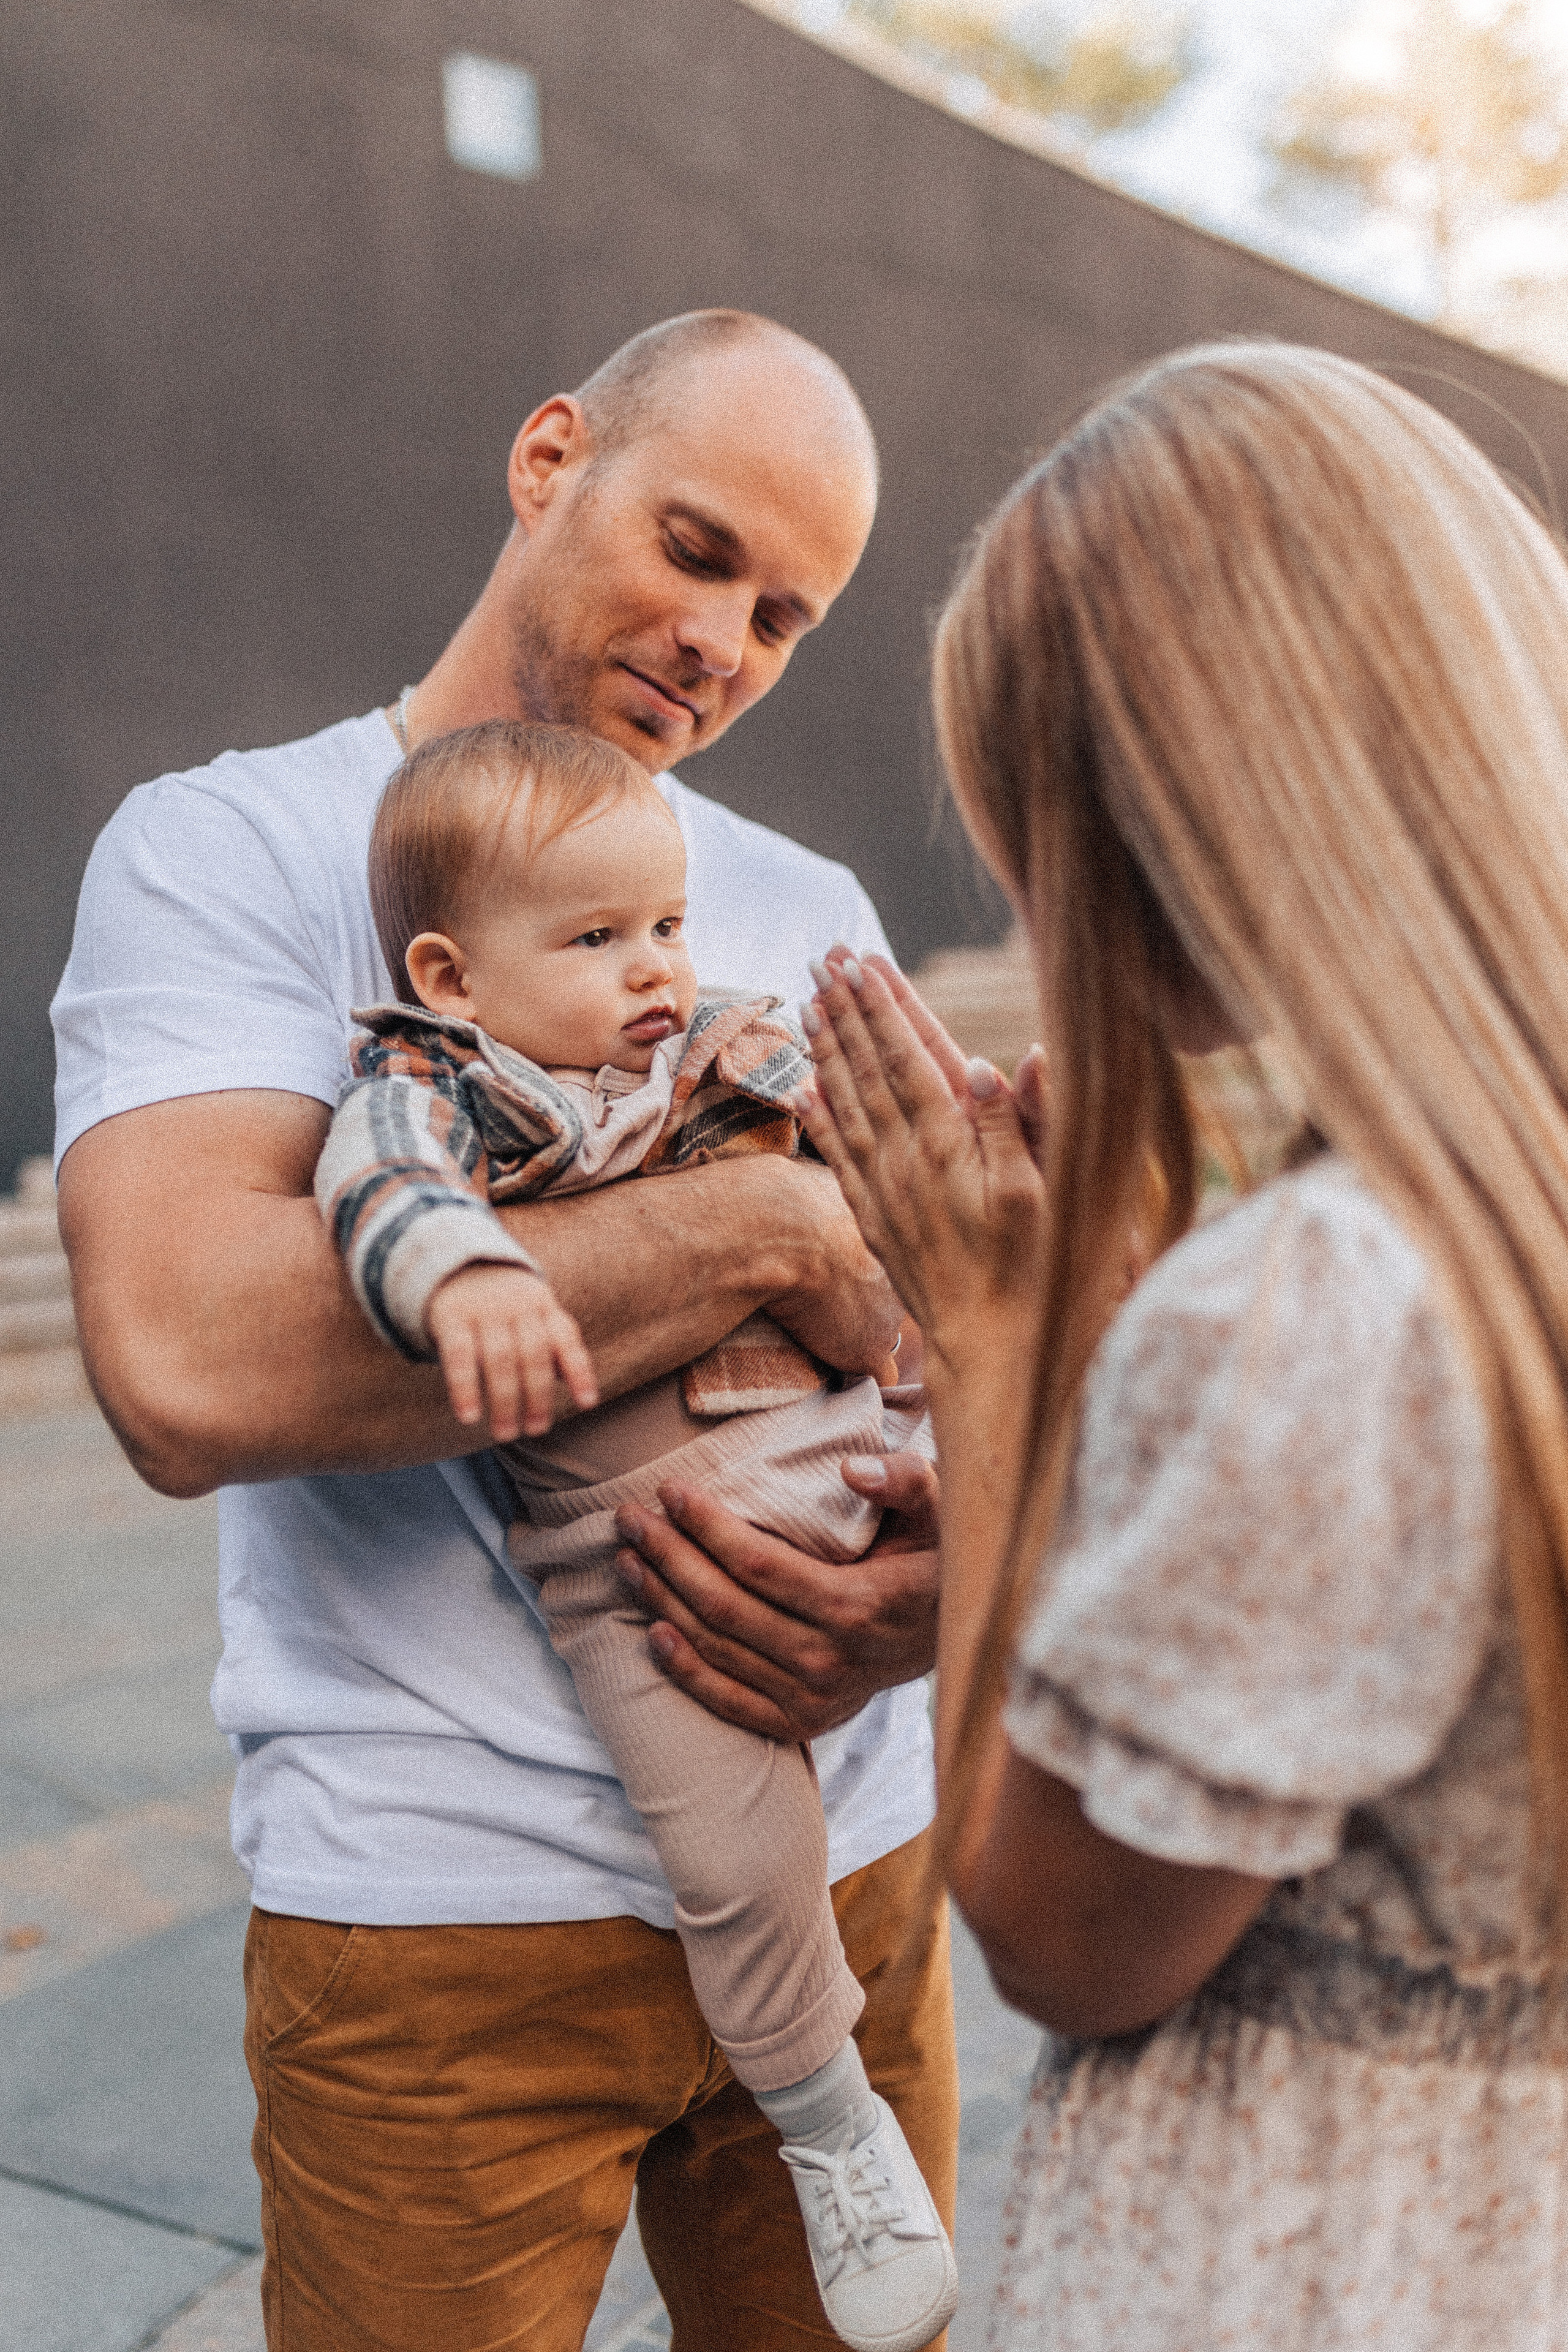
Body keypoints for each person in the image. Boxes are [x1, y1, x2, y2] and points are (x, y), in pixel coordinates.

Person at [50, 310, 957, 2352]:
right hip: (444, 1913)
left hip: (854, 1860)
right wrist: (765, 1217)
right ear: (552, 457)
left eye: (789, 614)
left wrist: (940, 1582)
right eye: (700, 548)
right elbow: (191, 1365)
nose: (726, 639)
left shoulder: (806, 900)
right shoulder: (237, 850)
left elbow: (948, 1329)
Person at [793, 341, 1568, 2348]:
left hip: (1315, 2265)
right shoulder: (1481, 1224)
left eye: (1029, 833)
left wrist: (995, 1329)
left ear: (1157, 819)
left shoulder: (1326, 1302)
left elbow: (1060, 1931)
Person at [314, 714, 957, 2352]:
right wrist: (460, 1274)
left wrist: (943, 1185)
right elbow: (380, 1186)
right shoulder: (444, 1085)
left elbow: (911, 1195)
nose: (656, 966)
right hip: (643, 1561)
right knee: (738, 1854)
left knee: (1038, 1494)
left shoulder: (731, 1041)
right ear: (453, 976)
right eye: (597, 938)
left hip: (857, 1449)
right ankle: (828, 2128)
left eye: (665, 924)